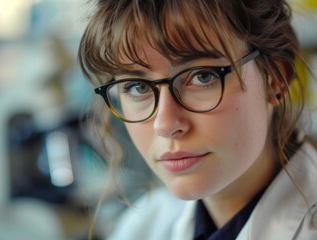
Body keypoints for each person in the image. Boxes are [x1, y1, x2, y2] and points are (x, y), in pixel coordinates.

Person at [78, 0, 317, 239]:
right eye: (138, 87)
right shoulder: (144, 225)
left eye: (202, 77)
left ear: (276, 77)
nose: (165, 125)